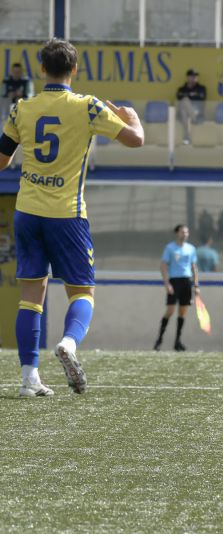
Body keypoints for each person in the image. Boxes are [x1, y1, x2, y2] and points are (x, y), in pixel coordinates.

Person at [0, 38, 144, 397]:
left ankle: (28, 379)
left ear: (41, 69)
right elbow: (135, 140)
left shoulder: (23, 107)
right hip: (67, 215)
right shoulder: (88, 107)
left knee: (31, 294)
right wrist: (132, 118)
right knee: (82, 290)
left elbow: (1, 160)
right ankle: (68, 343)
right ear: (75, 69)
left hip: (27, 211)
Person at [154, 224, 199, 351]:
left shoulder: (191, 249)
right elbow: (163, 266)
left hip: (186, 281)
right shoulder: (170, 248)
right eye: (182, 232)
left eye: (187, 232)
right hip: (174, 282)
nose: (185, 234)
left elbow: (194, 267)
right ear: (177, 233)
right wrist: (167, 283)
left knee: (183, 312)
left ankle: (177, 341)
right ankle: (159, 339)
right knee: (170, 310)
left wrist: (196, 285)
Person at [176, 68, 206, 144]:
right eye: (192, 76)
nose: (194, 78)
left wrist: (188, 95)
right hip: (185, 115)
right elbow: (179, 96)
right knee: (184, 104)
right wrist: (192, 95)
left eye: (195, 76)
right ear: (188, 77)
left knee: (185, 101)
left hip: (197, 113)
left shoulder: (201, 88)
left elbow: (202, 97)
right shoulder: (182, 89)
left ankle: (186, 136)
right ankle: (192, 122)